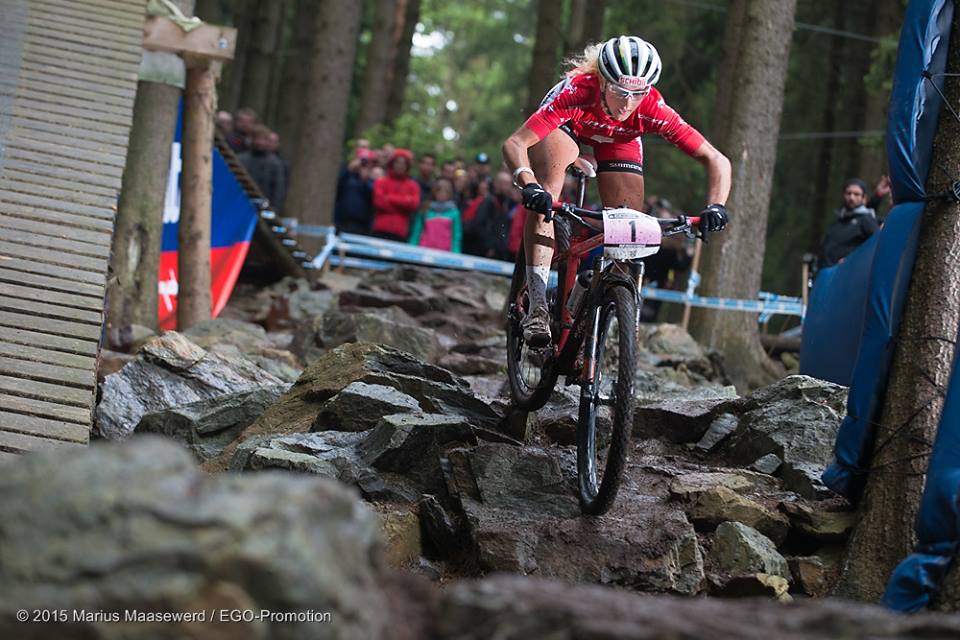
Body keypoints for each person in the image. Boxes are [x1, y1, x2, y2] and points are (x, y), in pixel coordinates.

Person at [502, 35, 732, 346]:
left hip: (618, 140)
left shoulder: (651, 107)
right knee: (549, 193)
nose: (627, 102)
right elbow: (515, 143)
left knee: (628, 226)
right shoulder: (576, 92)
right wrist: (528, 184)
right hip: (569, 125)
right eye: (620, 91)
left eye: (637, 93)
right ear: (601, 81)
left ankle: (589, 301)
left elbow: (717, 159)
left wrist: (716, 205)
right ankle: (538, 306)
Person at [820, 178, 881, 267]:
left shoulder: (866, 220)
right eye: (848, 193)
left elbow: (876, 244)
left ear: (864, 198)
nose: (851, 197)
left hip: (850, 273)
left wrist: (854, 260)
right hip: (828, 273)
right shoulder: (838, 220)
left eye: (856, 194)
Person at [371, 148, 421, 242]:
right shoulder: (381, 182)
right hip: (380, 229)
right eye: (398, 162)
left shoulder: (413, 186)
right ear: (392, 163)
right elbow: (379, 202)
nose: (400, 166)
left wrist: (389, 197)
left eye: (403, 163)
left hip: (400, 232)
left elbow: (414, 204)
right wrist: (404, 202)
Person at [463, 170, 514, 260]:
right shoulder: (489, 202)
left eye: (509, 184)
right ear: (497, 184)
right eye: (505, 184)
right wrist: (489, 247)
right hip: (484, 252)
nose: (508, 187)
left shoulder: (505, 203)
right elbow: (479, 225)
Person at [239, 125, 286, 211]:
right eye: (257, 138)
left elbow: (278, 190)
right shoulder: (241, 159)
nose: (259, 142)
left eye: (263, 139)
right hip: (242, 206)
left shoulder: (275, 163)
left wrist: (274, 209)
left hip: (265, 208)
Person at [408, 178, 462, 253]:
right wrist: (411, 247)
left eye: (445, 192)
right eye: (439, 191)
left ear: (449, 194)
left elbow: (456, 236)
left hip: (445, 251)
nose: (442, 194)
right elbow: (417, 231)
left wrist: (455, 252)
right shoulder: (425, 209)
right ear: (434, 192)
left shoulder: (454, 213)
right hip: (424, 249)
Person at [334, 148, 375, 235]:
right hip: (342, 222)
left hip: (362, 226)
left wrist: (365, 180)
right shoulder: (346, 175)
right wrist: (349, 170)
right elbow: (337, 188)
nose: (363, 164)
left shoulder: (371, 180)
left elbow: (372, 198)